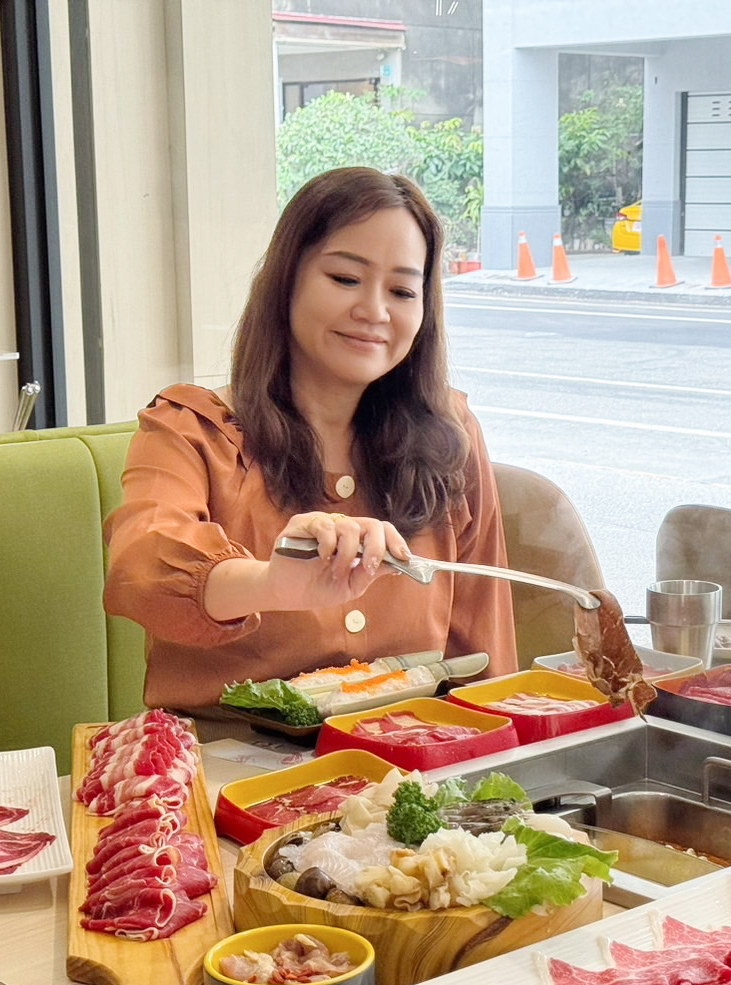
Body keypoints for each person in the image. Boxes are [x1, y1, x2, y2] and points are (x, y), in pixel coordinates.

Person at [104, 167, 518, 712]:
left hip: (405, 762)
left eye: (401, 290)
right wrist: (272, 584)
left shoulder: (450, 433)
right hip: (228, 775)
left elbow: (484, 651)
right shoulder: (189, 428)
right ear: (287, 279)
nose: (374, 311)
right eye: (345, 279)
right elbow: (142, 568)